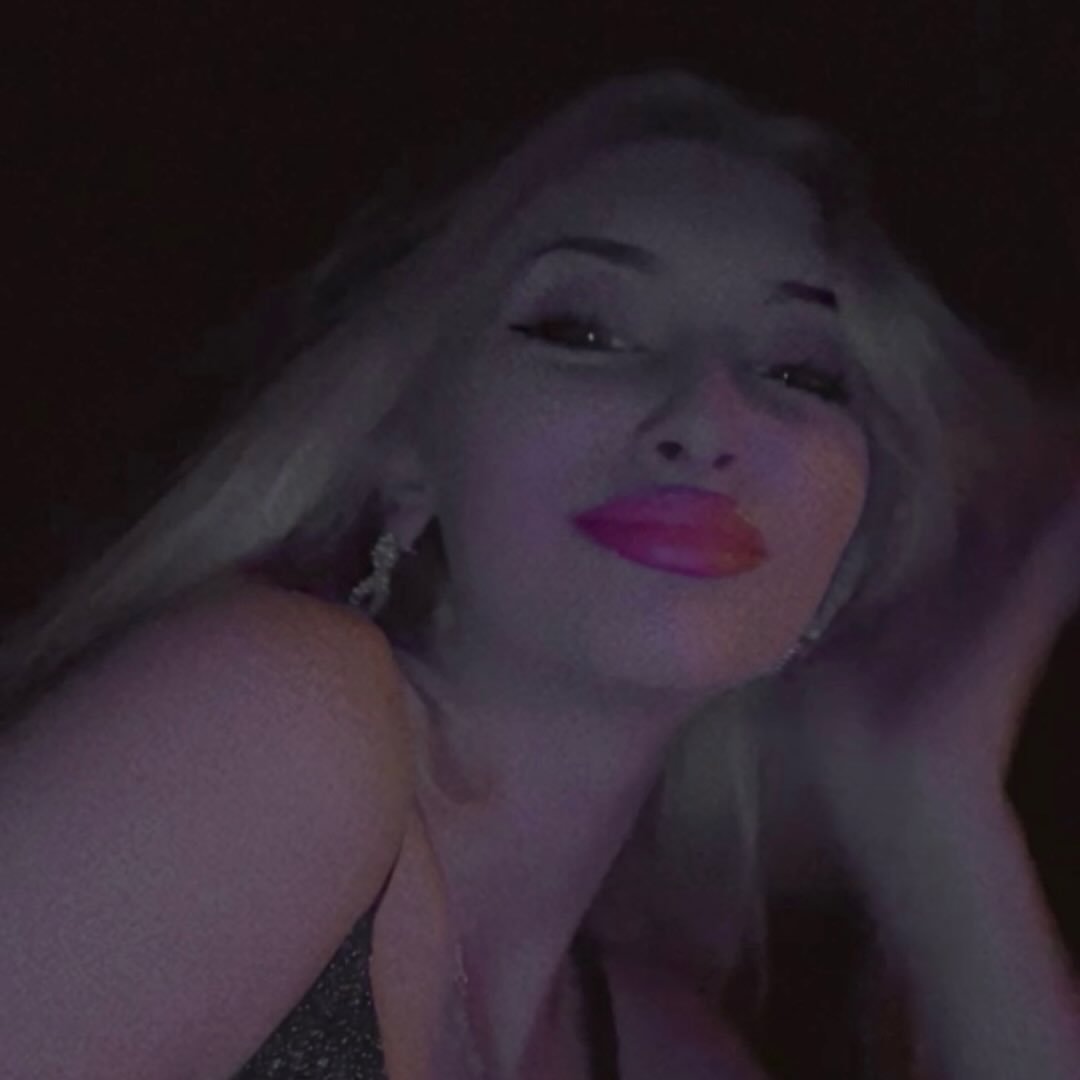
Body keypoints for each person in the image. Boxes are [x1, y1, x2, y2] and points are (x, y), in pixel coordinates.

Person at [3, 66, 1078, 1080]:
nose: (706, 419)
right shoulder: (268, 715)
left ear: (850, 547)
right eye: (583, 330)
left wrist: (931, 812)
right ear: (404, 453)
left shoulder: (659, 1047)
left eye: (801, 368)